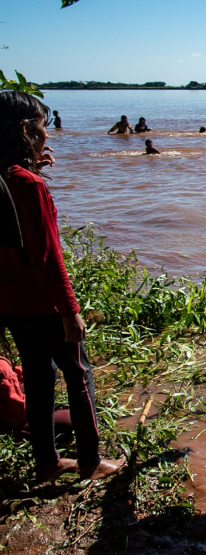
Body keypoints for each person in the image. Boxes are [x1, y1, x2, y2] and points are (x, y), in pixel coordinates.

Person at [0, 91, 123, 482]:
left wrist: (32, 167)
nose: (47, 136)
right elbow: (47, 257)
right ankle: (90, 461)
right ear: (25, 130)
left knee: (38, 378)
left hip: (10, 303)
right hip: (42, 303)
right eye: (42, 128)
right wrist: (70, 311)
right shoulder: (28, 185)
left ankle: (47, 461)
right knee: (79, 374)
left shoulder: (5, 177)